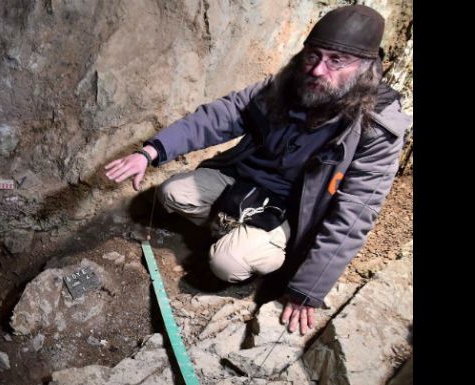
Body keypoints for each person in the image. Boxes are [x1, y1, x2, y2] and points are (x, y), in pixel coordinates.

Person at [104, 5, 411, 335]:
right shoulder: (290, 83)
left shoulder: (376, 126)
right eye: (313, 55)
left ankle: (262, 252)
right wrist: (151, 152)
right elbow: (220, 116)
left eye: (336, 61)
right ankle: (235, 230)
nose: (319, 70)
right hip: (246, 183)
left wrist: (307, 291)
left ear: (366, 65)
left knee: (226, 263)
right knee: (172, 193)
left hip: (293, 214)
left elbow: (355, 213)